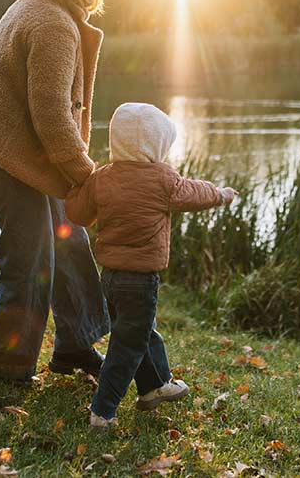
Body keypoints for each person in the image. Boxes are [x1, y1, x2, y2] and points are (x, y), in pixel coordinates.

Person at [0, 0, 113, 383]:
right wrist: (88, 176)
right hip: (5, 159)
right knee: (30, 256)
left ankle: (73, 345)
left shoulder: (37, 8)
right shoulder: (51, 24)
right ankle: (0, 366)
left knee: (69, 241)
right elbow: (52, 118)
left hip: (25, 157)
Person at [65, 103, 237, 429]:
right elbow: (193, 193)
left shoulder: (102, 178)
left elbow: (78, 215)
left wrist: (75, 185)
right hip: (140, 280)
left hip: (111, 280)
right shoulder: (162, 178)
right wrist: (221, 195)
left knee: (140, 331)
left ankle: (154, 387)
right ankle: (102, 411)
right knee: (127, 345)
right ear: (153, 144)